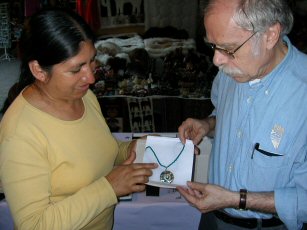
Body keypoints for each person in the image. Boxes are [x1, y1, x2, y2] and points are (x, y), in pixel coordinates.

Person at [0, 8, 157, 230]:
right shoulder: (20, 134)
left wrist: (135, 147)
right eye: (76, 69)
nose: (91, 77)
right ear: (38, 70)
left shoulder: (84, 96)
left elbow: (102, 151)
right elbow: (34, 224)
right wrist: (109, 188)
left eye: (92, 60)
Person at [176, 0, 307, 229]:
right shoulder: (232, 69)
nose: (217, 60)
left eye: (227, 48)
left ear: (270, 35)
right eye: (213, 46)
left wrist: (236, 199)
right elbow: (227, 117)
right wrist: (208, 124)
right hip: (211, 216)